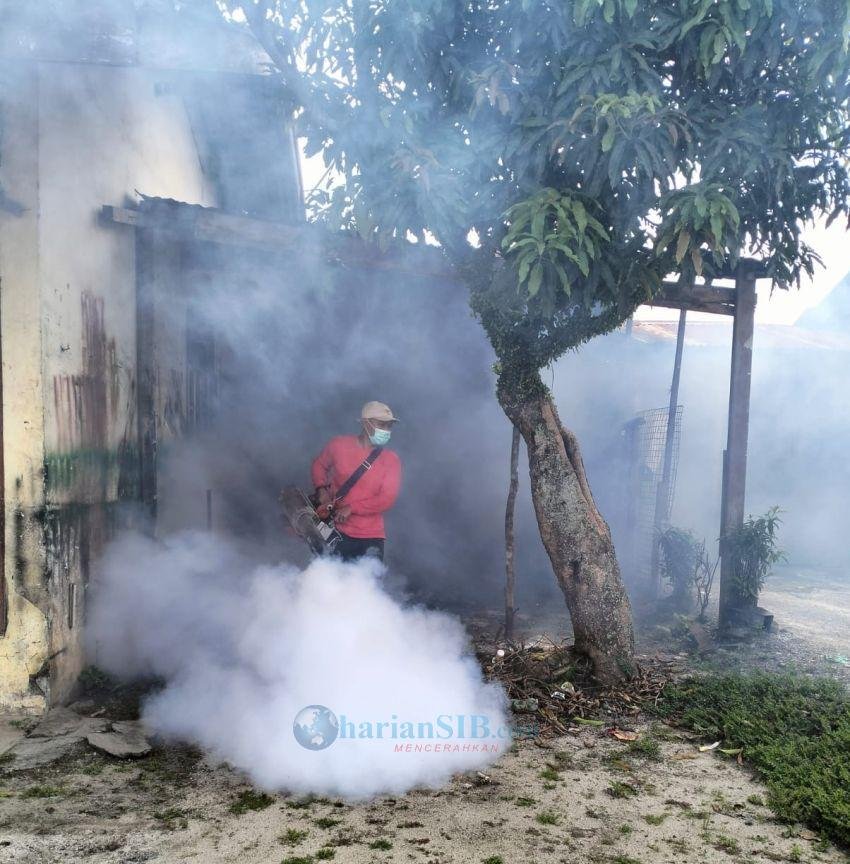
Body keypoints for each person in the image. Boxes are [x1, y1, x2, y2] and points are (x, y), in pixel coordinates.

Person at [311, 401, 402, 562]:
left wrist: (352, 508)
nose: (386, 430)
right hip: (334, 531)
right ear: (366, 423)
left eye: (389, 426)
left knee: (368, 585)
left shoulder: (391, 460)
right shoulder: (338, 445)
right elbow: (319, 465)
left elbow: (387, 499)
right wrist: (321, 490)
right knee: (330, 582)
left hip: (371, 537)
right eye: (382, 424)